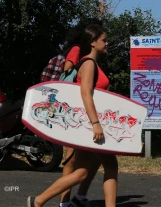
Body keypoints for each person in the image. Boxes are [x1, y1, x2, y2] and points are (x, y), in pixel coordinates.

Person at [28, 24, 118, 207]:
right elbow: (85, 94)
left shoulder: (91, 63)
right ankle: (40, 200)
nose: (107, 43)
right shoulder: (89, 64)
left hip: (89, 123)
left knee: (83, 171)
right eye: (104, 40)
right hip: (90, 123)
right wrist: (95, 123)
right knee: (110, 166)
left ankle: (38, 201)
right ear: (93, 43)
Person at [59, 18, 104, 207]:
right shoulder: (79, 52)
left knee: (87, 161)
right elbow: (67, 70)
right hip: (80, 113)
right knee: (72, 161)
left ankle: (78, 198)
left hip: (87, 114)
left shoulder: (91, 57)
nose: (106, 41)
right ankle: (60, 201)